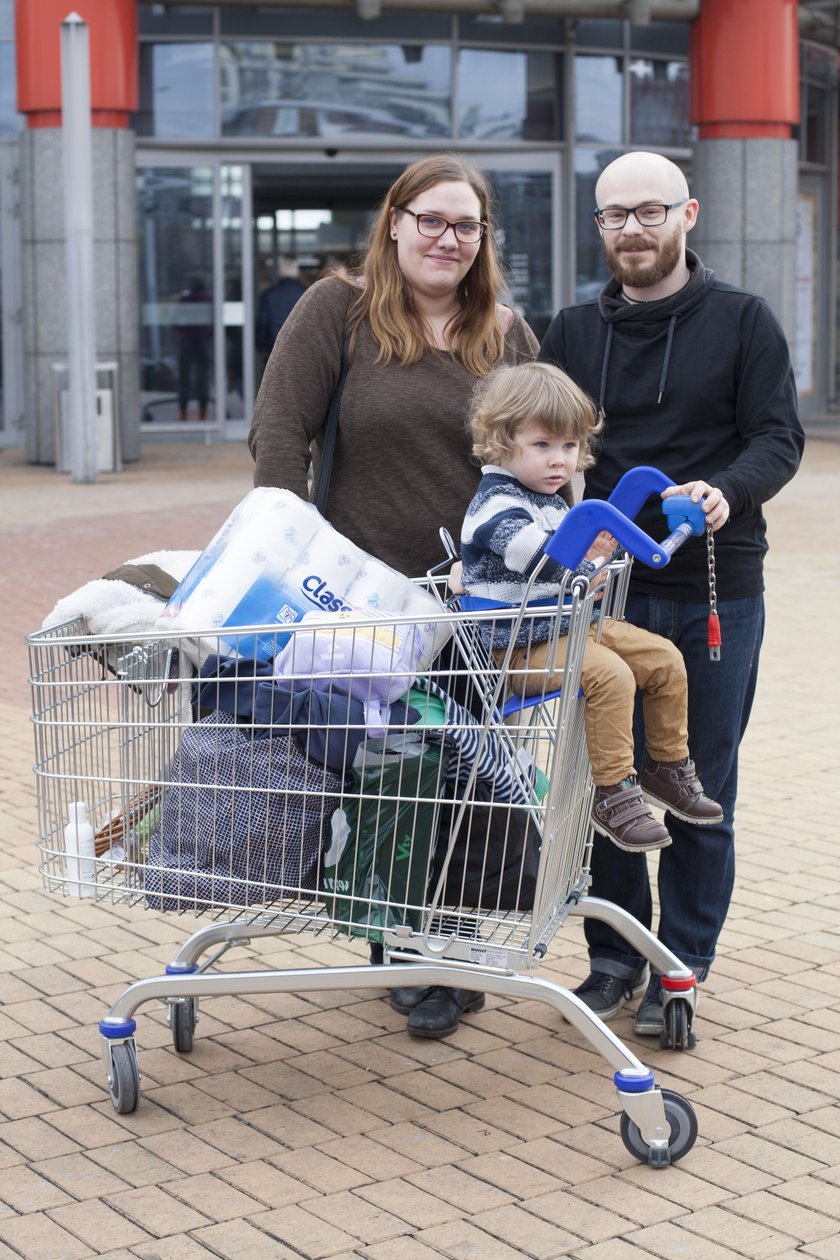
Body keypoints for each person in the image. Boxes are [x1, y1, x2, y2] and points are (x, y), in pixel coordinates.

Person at [248, 153, 539, 1037]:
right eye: (432, 220)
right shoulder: (337, 312)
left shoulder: (508, 337)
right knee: (388, 778)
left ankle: (446, 950)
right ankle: (398, 940)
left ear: (484, 239)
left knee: (468, 782)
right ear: (396, 221)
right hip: (363, 609)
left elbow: (542, 456)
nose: (448, 239)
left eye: (467, 226)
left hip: (477, 609)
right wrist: (293, 560)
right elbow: (279, 437)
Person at [539, 151, 804, 1035]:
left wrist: (730, 489)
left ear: (687, 214)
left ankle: (680, 971)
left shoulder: (743, 321)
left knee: (696, 783)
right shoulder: (573, 331)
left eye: (649, 211)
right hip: (604, 595)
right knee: (602, 783)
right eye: (614, 216)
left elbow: (778, 437)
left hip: (712, 591)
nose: (632, 230)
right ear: (600, 226)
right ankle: (615, 957)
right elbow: (544, 442)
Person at [461, 360, 723, 854]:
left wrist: (602, 550)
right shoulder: (495, 504)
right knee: (609, 675)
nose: (559, 460)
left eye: (569, 445)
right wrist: (587, 562)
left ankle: (667, 767)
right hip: (513, 648)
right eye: (542, 445)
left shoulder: (554, 500)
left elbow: (578, 553)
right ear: (500, 440)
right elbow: (540, 557)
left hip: (564, 628)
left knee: (664, 658)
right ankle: (614, 793)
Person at [255, 256, 307, 359]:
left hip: (274, 352)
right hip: (301, 353)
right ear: (297, 274)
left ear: (280, 274)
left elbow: (263, 323)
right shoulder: (307, 293)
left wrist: (262, 348)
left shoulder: (269, 295)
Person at [176, 277, 212, 421]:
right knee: (202, 380)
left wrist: (185, 331)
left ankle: (183, 412)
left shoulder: (184, 301)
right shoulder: (208, 300)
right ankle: (203, 412)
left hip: (186, 344)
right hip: (203, 344)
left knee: (184, 380)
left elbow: (175, 321)